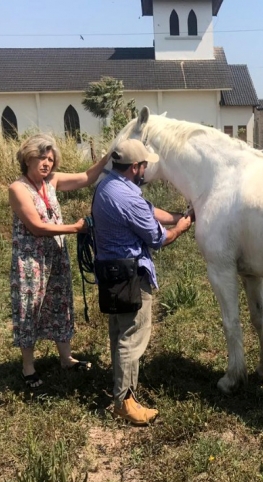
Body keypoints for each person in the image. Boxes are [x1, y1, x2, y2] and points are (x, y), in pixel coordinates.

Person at [92, 138, 192, 425]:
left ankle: (124, 392)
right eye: (144, 165)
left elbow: (148, 211)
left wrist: (179, 215)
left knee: (119, 332)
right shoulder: (128, 197)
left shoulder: (108, 186)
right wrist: (182, 226)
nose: (146, 170)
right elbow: (160, 238)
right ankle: (123, 401)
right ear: (135, 167)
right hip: (130, 275)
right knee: (132, 337)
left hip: (111, 272)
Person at [9, 133, 110, 388]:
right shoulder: (18, 188)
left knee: (61, 303)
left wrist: (109, 156)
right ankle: (28, 367)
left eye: (51, 159)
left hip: (55, 257)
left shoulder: (52, 181)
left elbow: (87, 177)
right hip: (30, 261)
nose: (47, 164)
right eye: (42, 158)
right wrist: (75, 228)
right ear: (28, 157)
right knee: (30, 307)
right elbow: (36, 227)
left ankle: (66, 358)